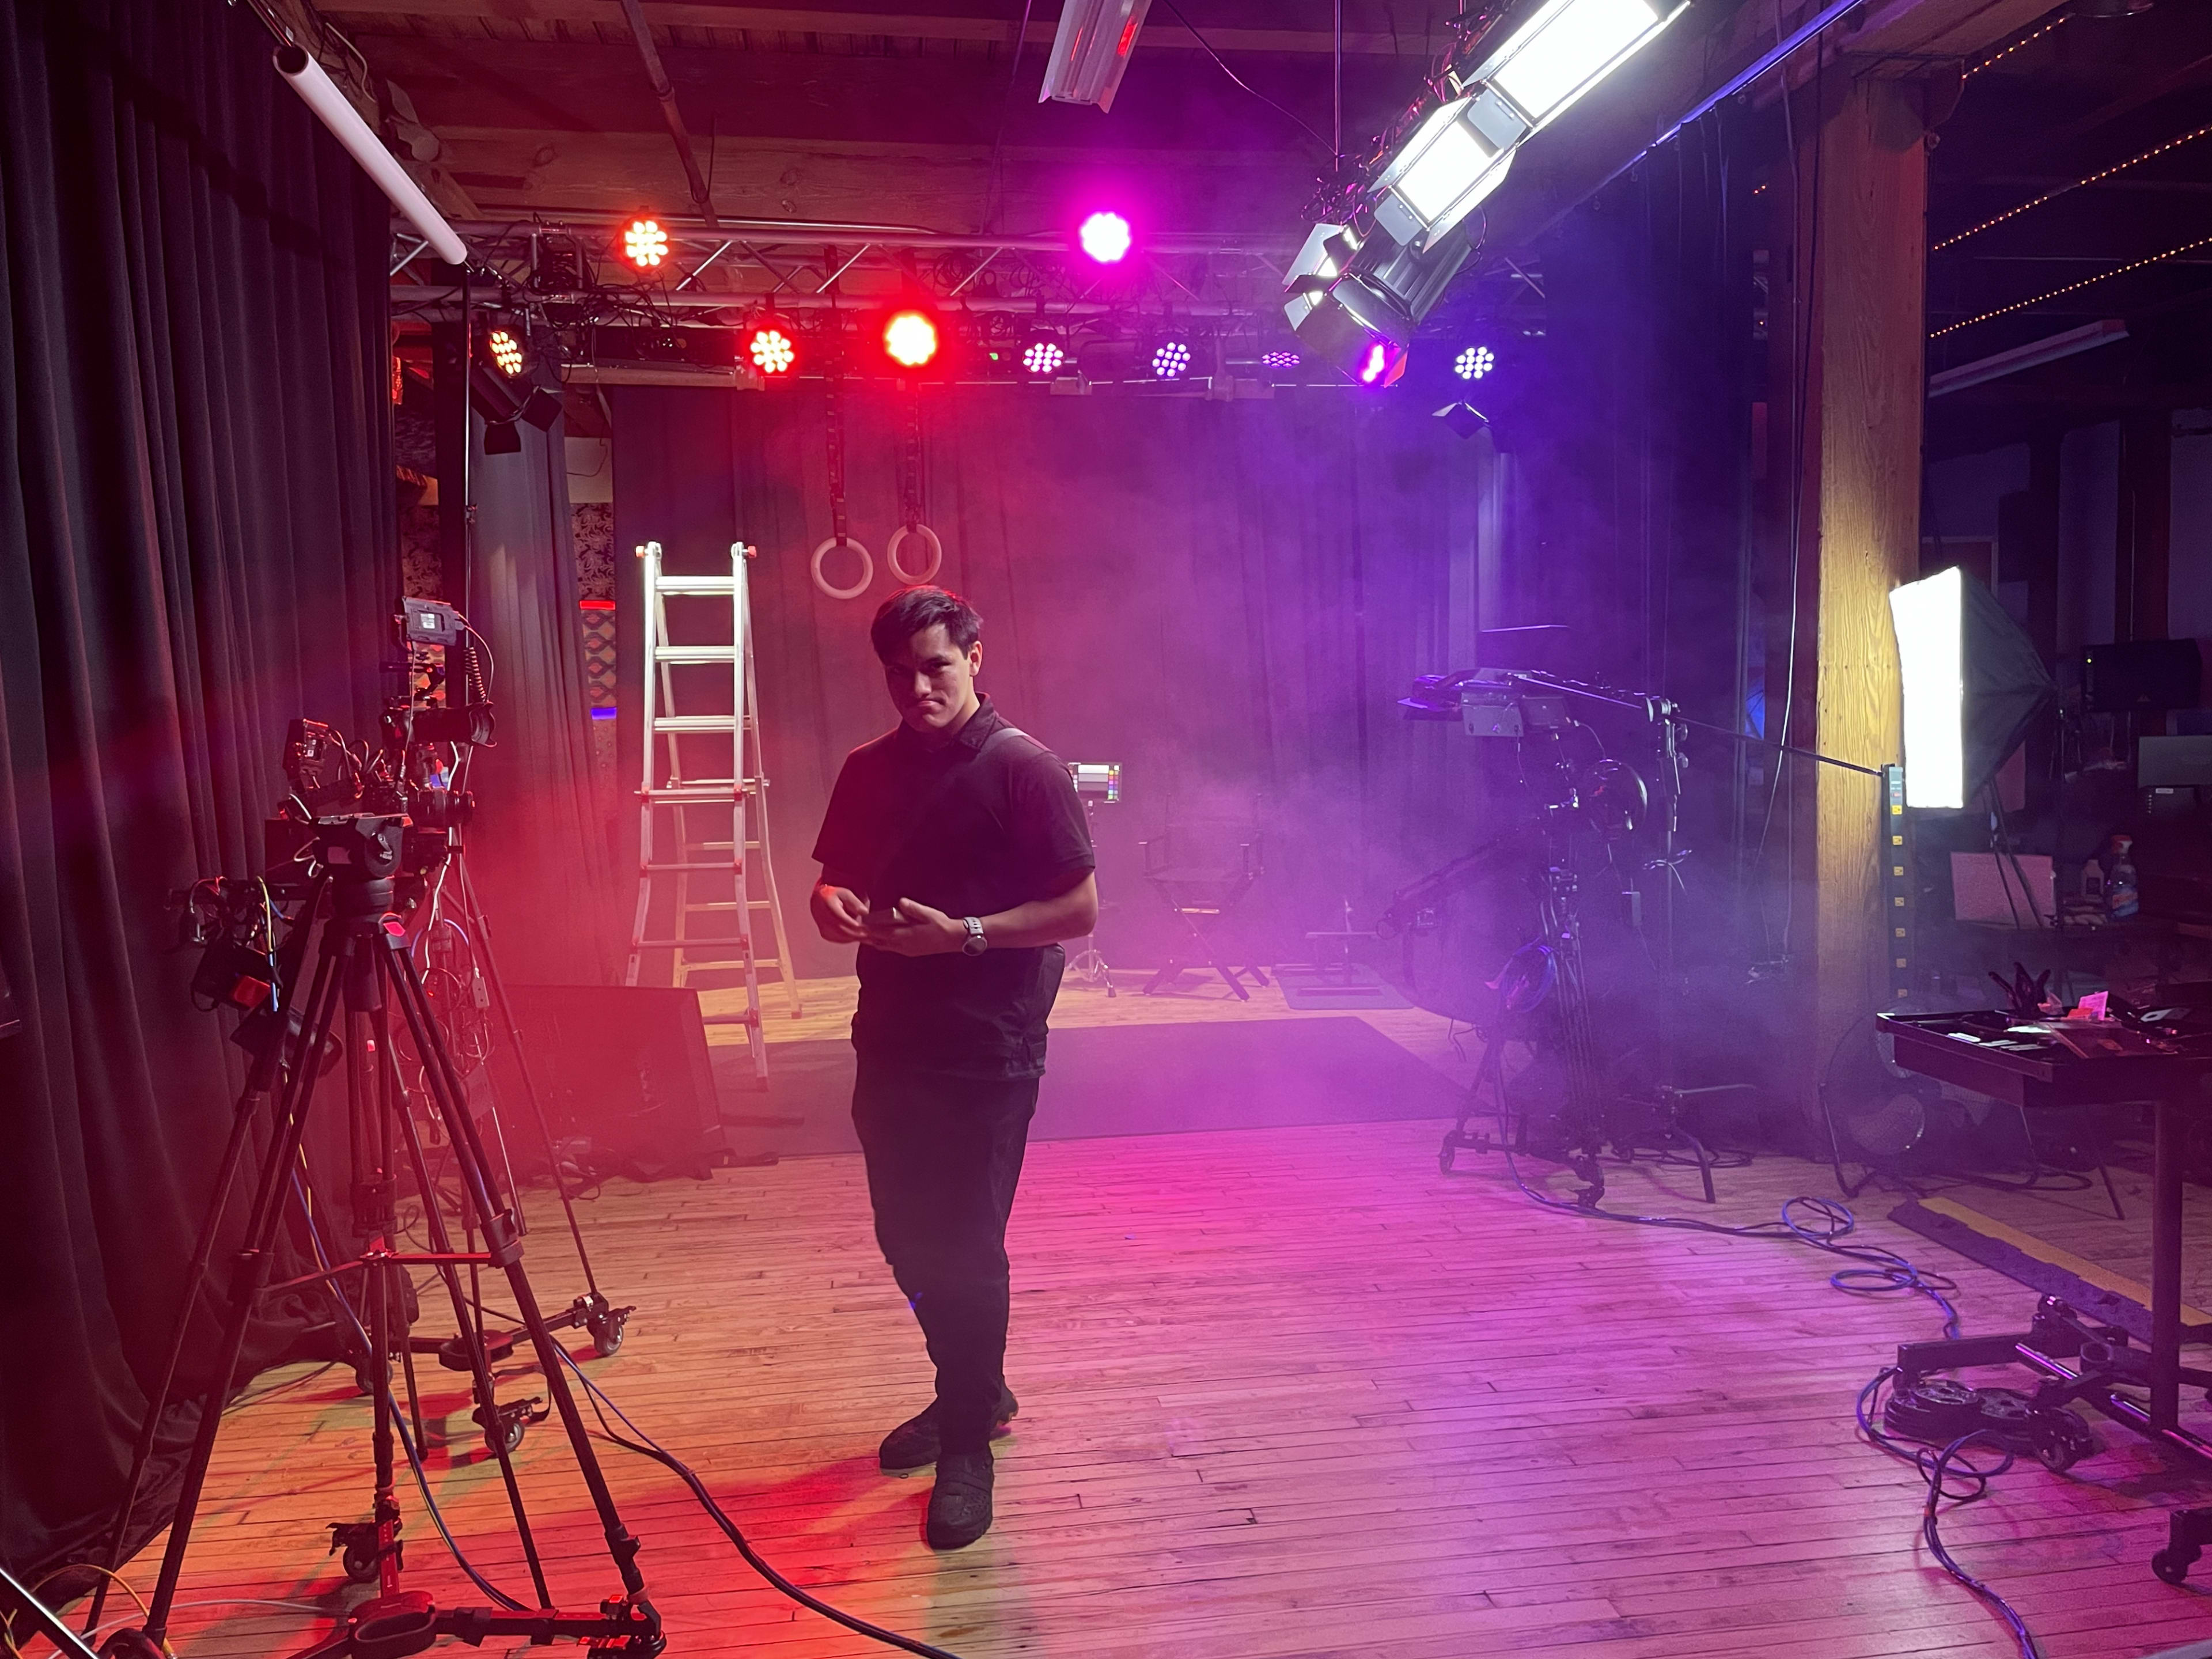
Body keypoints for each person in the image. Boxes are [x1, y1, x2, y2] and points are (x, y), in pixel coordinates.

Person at [809, 585, 1099, 1550]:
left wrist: (962, 937)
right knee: (905, 1236)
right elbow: (832, 880)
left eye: (936, 666)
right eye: (900, 673)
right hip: (890, 1035)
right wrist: (832, 906)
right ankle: (973, 1385)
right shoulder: (867, 767)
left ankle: (968, 1437)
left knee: (966, 1246)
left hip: (990, 1044)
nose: (918, 687)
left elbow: (1079, 912)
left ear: (976, 656)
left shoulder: (1028, 769)